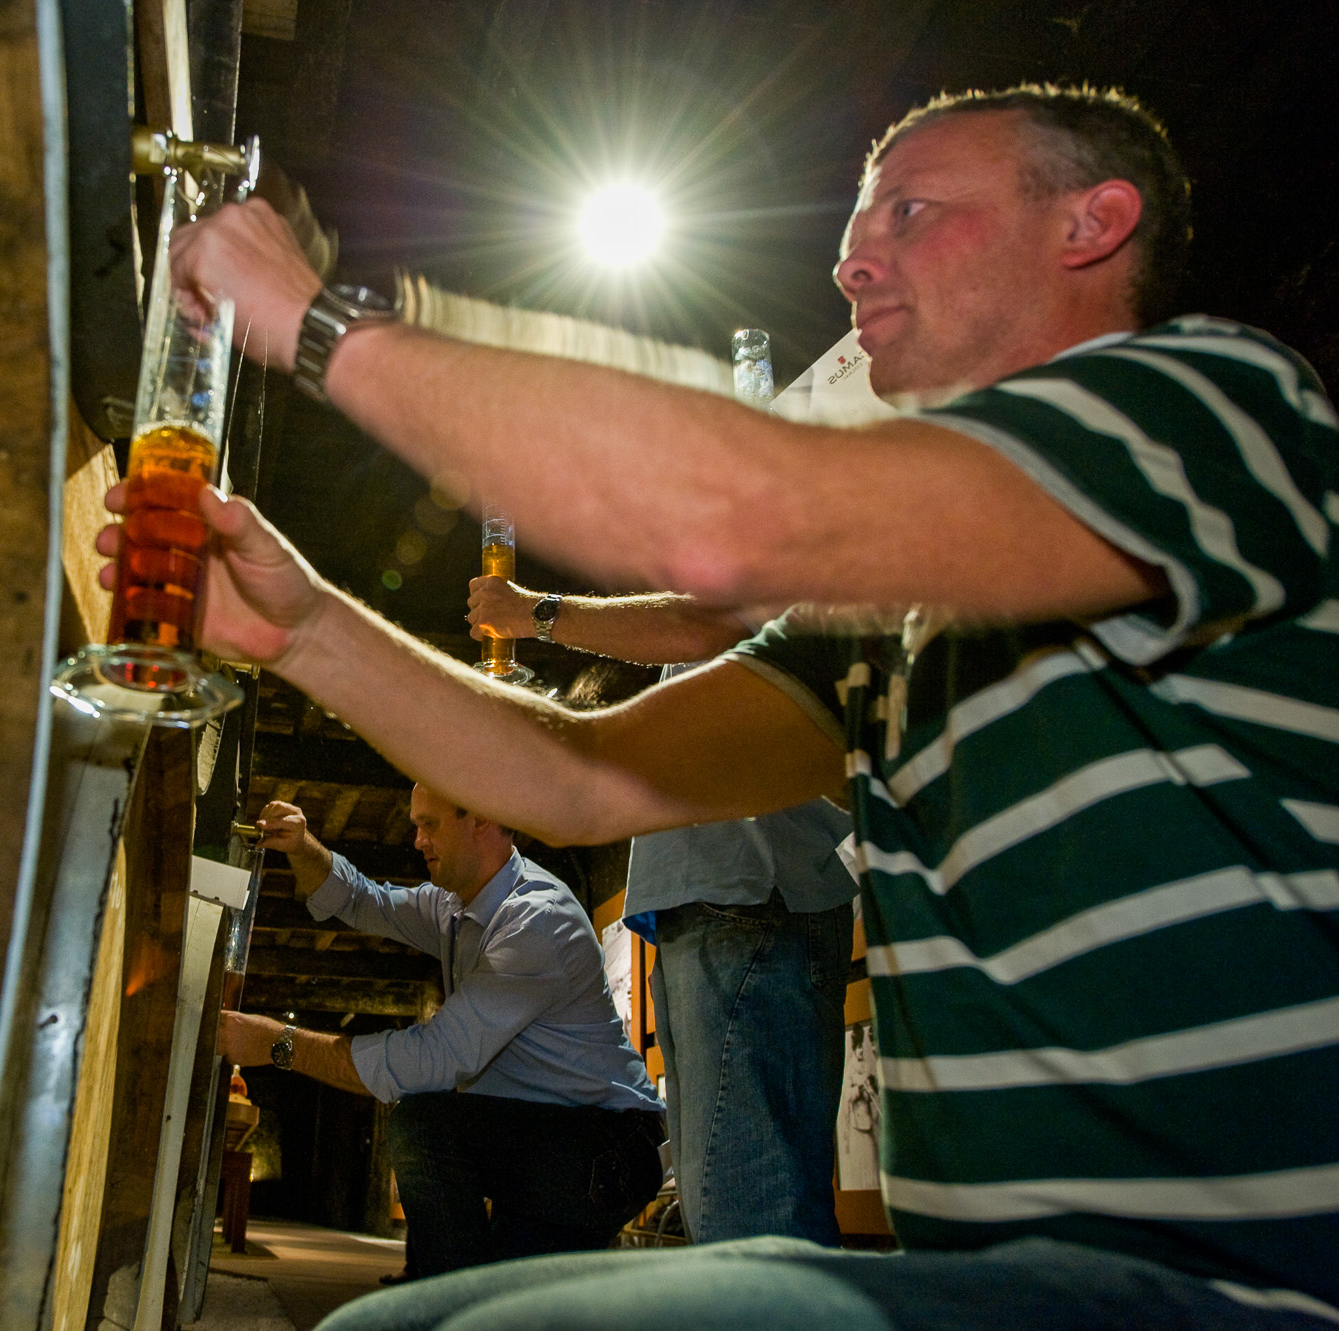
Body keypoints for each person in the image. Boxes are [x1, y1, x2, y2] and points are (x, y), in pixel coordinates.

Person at [111, 82, 1339, 1326]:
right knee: (388, 1321)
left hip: (1246, 1280)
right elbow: (579, 778)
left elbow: (734, 519)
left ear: (1090, 224)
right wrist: (304, 625)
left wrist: (320, 325)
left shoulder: (1207, 404)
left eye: (911, 212)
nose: (851, 262)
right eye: (857, 229)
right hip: (988, 1278)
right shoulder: (890, 621)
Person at [467, 584, 859, 1244]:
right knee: (727, 1214)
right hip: (720, 905)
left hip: (749, 902)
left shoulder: (764, 518)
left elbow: (703, 621)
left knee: (747, 1227)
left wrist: (539, 612)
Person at [215, 791, 666, 1276]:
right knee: (517, 1299)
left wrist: (276, 1043)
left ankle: (449, 1303)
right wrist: (303, 847)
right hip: (551, 1131)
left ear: (484, 817)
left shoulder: (538, 920)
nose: (417, 840)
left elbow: (431, 1061)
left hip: (607, 1146)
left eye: (429, 825)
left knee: (424, 1126)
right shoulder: (455, 906)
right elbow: (366, 900)